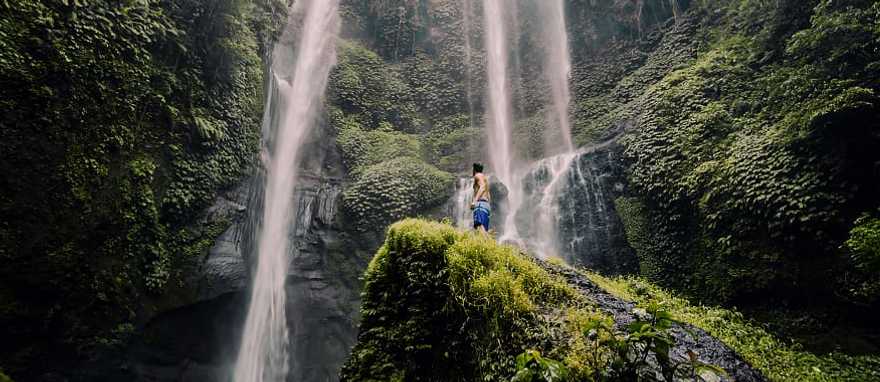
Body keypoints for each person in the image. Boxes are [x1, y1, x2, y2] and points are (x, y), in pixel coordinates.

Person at [470, 163, 491, 233]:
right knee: (483, 230)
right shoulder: (485, 178)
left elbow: (482, 187)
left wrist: (474, 201)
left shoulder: (478, 175)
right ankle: (488, 243)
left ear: (474, 169)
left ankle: (488, 243)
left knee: (479, 227)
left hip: (480, 204)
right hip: (486, 205)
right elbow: (489, 196)